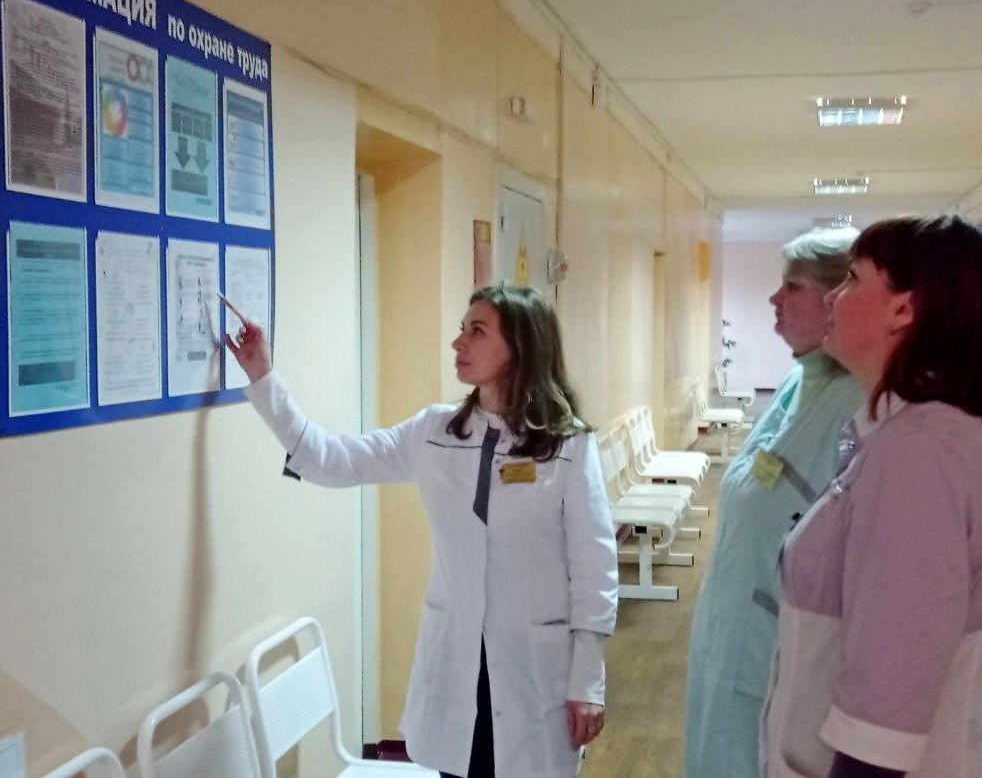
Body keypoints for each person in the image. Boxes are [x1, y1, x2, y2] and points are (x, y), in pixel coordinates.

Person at [226, 285, 619, 778]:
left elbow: (594, 566)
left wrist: (588, 679)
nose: (459, 342)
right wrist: (264, 378)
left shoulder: (568, 445)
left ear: (521, 345)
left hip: (534, 666)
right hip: (457, 661)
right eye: (462, 328)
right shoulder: (434, 432)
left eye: (477, 331)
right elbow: (332, 459)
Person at [761, 214, 982, 778]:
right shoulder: (911, 436)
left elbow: (881, 725)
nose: (833, 297)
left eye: (853, 279)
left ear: (905, 309)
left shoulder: (921, 454)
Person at [684, 228, 864, 777]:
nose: (774, 298)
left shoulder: (857, 406)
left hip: (777, 654)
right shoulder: (797, 382)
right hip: (731, 633)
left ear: (837, 300)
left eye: (793, 286)